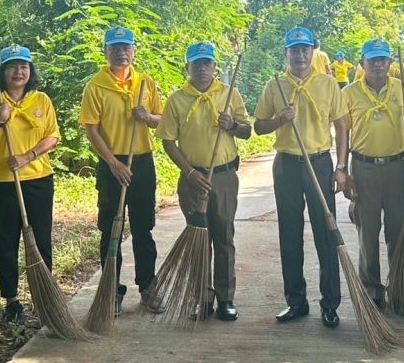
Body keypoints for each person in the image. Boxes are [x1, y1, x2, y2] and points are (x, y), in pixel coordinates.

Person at [254, 26, 349, 328]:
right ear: (286, 53)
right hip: (287, 165)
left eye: (304, 49)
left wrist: (341, 167)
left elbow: (342, 126)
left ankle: (330, 303)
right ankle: (296, 301)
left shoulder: (327, 84)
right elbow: (259, 126)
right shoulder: (275, 86)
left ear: (312, 52)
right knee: (290, 233)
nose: (300, 55)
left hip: (319, 163)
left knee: (326, 232)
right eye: (294, 50)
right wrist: (279, 119)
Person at [157, 42, 252, 321]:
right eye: (196, 63)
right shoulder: (177, 99)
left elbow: (247, 131)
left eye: (207, 63)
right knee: (199, 239)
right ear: (188, 67)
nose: (202, 68)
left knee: (224, 237)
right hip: (192, 179)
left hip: (224, 176)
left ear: (214, 66)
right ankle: (202, 299)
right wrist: (189, 172)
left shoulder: (229, 94)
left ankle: (226, 298)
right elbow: (167, 141)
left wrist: (231, 125)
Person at [0, 45, 60, 325]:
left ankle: (45, 298)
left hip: (38, 180)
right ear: (2, 72)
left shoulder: (41, 100)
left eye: (23, 66)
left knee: (41, 241)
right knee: (5, 242)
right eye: (12, 66)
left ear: (30, 71)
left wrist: (27, 157)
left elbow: (53, 137)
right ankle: (12, 302)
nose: (18, 72)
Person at [80, 26, 164, 315]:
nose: (121, 52)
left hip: (142, 161)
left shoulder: (145, 83)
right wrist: (113, 163)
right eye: (114, 47)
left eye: (126, 47)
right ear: (106, 51)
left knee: (143, 228)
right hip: (111, 164)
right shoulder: (96, 86)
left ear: (133, 51)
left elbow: (162, 120)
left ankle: (148, 286)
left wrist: (148, 117)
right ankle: (111, 291)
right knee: (110, 229)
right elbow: (91, 130)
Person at [341, 39, 404, 308]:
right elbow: (343, 133)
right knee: (367, 232)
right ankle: (372, 290)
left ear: (390, 63)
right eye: (372, 60)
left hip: (397, 167)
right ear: (362, 63)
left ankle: (400, 288)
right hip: (364, 169)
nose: (377, 65)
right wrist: (343, 171)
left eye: (382, 60)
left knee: (397, 231)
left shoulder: (403, 89)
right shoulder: (349, 93)